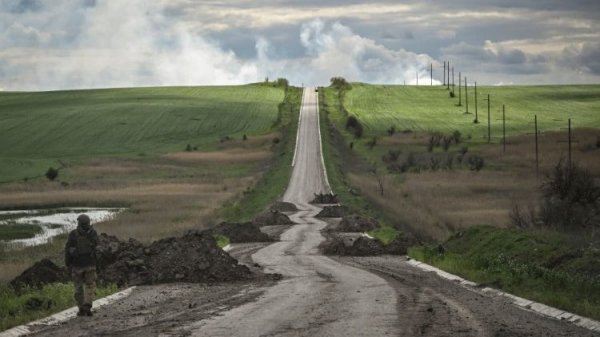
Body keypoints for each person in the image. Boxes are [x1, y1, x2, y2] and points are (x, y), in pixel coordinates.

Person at [65, 214, 98, 317]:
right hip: (90, 265)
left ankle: (81, 309)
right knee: (90, 285)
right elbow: (97, 248)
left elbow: (68, 249)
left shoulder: (73, 234)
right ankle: (87, 305)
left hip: (77, 266)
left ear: (79, 223)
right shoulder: (93, 233)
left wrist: (68, 263)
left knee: (78, 288)